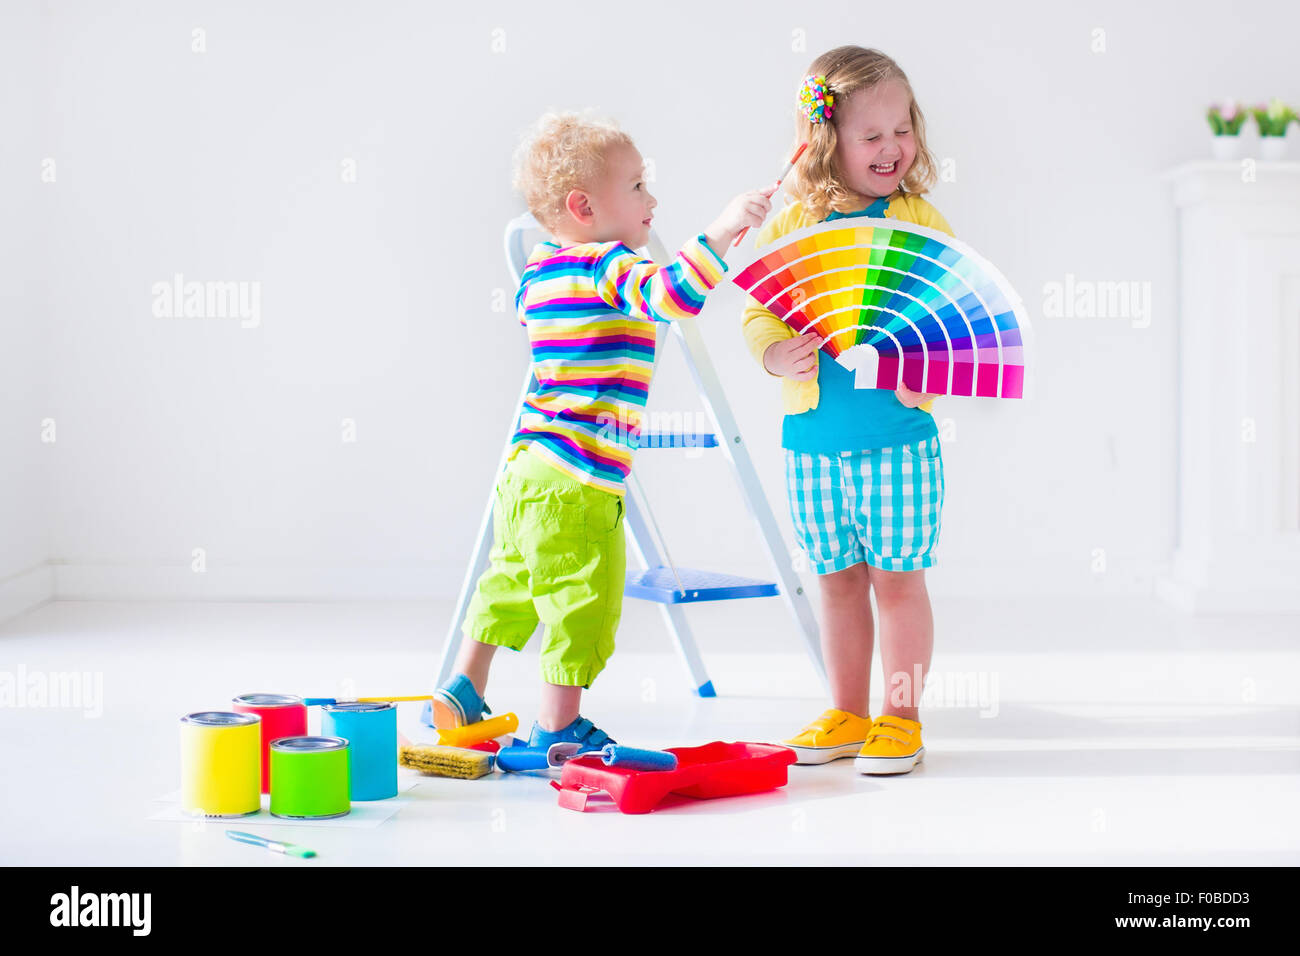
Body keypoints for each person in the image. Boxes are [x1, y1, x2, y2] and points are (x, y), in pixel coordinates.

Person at [432, 111, 775, 753]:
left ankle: (464, 686)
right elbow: (672, 294)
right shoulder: (607, 268)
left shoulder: (539, 272)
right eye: (639, 186)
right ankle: (558, 727)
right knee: (579, 600)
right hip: (580, 479)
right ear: (584, 207)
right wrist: (727, 228)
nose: (654, 200)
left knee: (512, 580)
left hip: (525, 468)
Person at [743, 47, 954, 774]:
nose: (893, 147)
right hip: (811, 445)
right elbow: (759, 314)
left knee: (897, 582)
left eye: (903, 129)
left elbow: (950, 318)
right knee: (834, 581)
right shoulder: (793, 226)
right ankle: (846, 710)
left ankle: (901, 717)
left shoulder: (919, 220)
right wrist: (775, 354)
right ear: (827, 141)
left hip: (897, 441)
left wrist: (923, 368)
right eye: (872, 135)